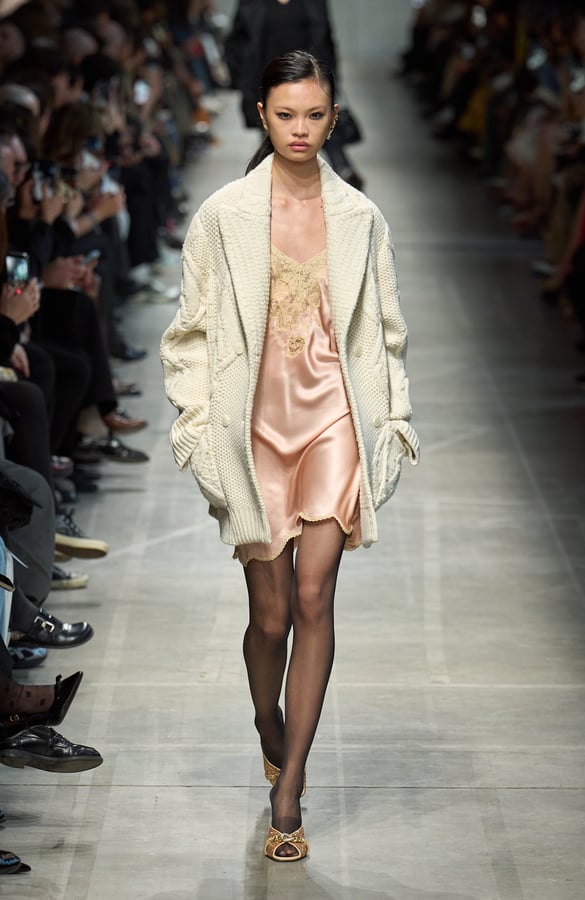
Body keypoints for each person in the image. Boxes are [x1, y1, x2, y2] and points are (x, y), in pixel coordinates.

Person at [161, 50, 419, 862]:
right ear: (262, 115)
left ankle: (291, 786)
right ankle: (267, 723)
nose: (299, 129)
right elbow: (188, 335)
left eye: (313, 115)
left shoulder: (361, 218)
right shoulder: (224, 215)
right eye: (285, 115)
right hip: (254, 429)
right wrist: (197, 428)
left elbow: (385, 332)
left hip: (334, 419)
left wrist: (391, 421)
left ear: (333, 119)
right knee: (269, 617)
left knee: (315, 596)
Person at [225, 0, 364, 188]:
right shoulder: (252, 2)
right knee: (273, 135)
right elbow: (237, 40)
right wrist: (240, 75)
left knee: (313, 127)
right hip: (266, 81)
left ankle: (336, 172)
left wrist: (330, 79)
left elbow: (326, 40)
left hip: (308, 80)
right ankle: (273, 187)